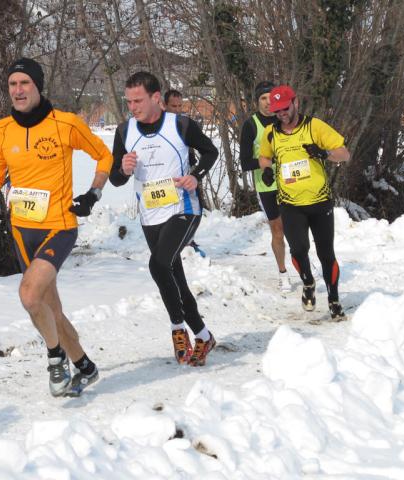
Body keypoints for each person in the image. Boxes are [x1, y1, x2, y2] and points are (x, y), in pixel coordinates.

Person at [0, 58, 112, 397]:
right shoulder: (1, 130)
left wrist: (93, 194)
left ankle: (55, 359)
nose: (18, 90)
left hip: (58, 227)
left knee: (29, 295)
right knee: (51, 309)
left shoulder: (65, 124)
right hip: (23, 231)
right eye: (12, 85)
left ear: (38, 86)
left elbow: (104, 156)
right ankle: (85, 366)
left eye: (25, 83)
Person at [111, 72, 218, 366]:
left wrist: (195, 176)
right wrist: (123, 168)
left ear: (156, 97)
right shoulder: (124, 132)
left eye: (138, 100)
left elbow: (211, 152)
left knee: (158, 265)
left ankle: (176, 328)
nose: (132, 106)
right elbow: (115, 179)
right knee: (174, 277)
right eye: (128, 101)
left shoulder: (180, 124)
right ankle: (204, 335)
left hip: (184, 209)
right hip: (150, 215)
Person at [258, 85, 350, 321]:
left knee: (326, 253)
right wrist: (267, 170)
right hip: (290, 204)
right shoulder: (271, 132)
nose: (282, 115)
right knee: (299, 250)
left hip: (320, 203)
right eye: (277, 111)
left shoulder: (314, 126)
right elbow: (265, 156)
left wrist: (323, 153)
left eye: (285, 109)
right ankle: (308, 282)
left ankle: (334, 300)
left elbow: (344, 154)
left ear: (296, 103)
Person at [239, 81, 291, 292]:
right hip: (267, 185)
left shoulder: (286, 120)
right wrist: (264, 163)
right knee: (278, 231)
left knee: (297, 228)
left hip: (293, 181)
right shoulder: (251, 125)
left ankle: (302, 265)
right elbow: (244, 163)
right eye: (263, 98)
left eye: (272, 97)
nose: (269, 103)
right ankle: (283, 273)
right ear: (256, 101)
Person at [163, 89, 207, 258]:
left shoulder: (185, 124)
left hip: (185, 172)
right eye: (173, 106)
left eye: (180, 105)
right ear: (164, 105)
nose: (177, 109)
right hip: (166, 175)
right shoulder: (161, 124)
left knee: (194, 207)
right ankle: (173, 242)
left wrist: (194, 168)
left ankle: (188, 241)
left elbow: (203, 147)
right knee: (170, 208)